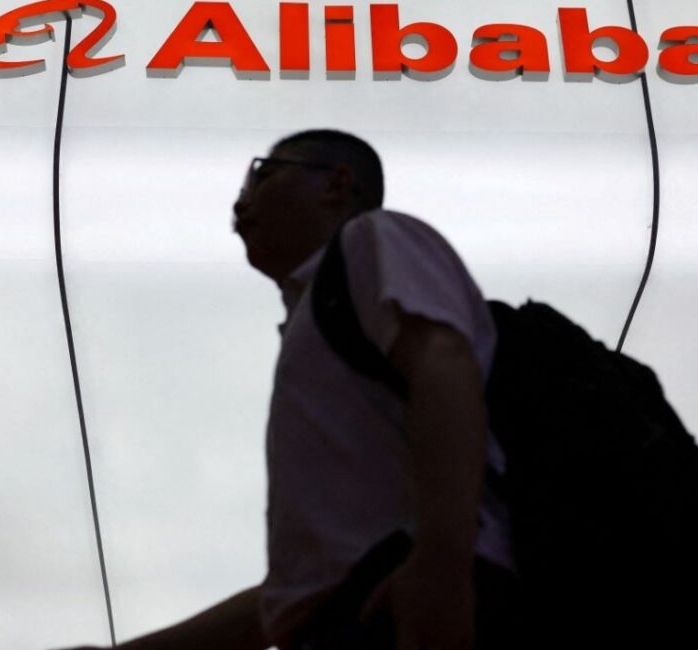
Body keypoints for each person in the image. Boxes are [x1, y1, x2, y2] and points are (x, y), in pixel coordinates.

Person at [65, 129, 519, 650]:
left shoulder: (373, 238)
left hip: (414, 613)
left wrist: (441, 565)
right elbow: (302, 597)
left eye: (263, 174)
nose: (240, 203)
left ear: (336, 185)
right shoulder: (317, 319)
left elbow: (445, 367)